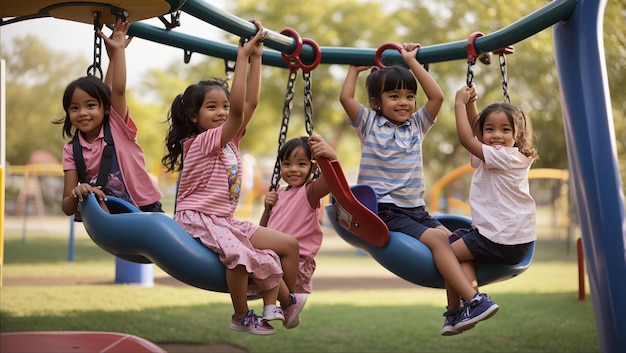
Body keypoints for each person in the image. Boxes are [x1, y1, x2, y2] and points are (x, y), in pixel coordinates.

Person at [340, 42, 498, 335]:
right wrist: (352, 70)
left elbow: (436, 96)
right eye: (394, 96)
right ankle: (473, 299)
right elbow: (345, 97)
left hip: (415, 209)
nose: (404, 102)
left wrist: (412, 62)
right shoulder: (369, 124)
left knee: (452, 241)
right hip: (386, 210)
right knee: (440, 243)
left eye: (410, 96)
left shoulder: (417, 126)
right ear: (377, 102)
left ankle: (453, 314)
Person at [161, 20, 304, 336]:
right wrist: (242, 57)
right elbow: (240, 110)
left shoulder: (229, 141)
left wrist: (257, 57)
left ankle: (280, 302)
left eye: (224, 106)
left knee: (285, 245)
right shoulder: (201, 142)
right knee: (239, 256)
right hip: (197, 219)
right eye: (212, 107)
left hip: (223, 220)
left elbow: (248, 103)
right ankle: (241, 315)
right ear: (193, 117)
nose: (223, 112)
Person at [444, 83, 538, 335]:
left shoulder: (504, 156)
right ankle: (463, 310)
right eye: (490, 129)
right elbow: (477, 133)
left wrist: (459, 104)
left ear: (517, 135)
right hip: (512, 239)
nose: (496, 135)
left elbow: (467, 138)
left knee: (448, 254)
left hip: (501, 238)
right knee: (459, 249)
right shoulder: (508, 155)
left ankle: (464, 307)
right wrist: (473, 102)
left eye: (505, 130)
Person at [56, 18, 163, 218]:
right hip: (111, 214)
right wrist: (77, 192)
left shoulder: (116, 126)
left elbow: (117, 91)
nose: (82, 113)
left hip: (144, 207)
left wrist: (118, 53)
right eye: (74, 108)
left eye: (90, 105)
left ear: (105, 109)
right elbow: (67, 207)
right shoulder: (71, 150)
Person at [259, 135, 337, 328]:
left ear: (313, 168)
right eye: (287, 164)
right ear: (280, 167)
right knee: (255, 259)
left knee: (264, 263)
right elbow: (263, 231)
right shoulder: (279, 193)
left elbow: (330, 181)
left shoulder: (309, 191)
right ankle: (284, 309)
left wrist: (331, 157)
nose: (293, 169)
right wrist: (267, 208)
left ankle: (287, 304)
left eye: (301, 164)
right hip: (274, 254)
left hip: (297, 261)